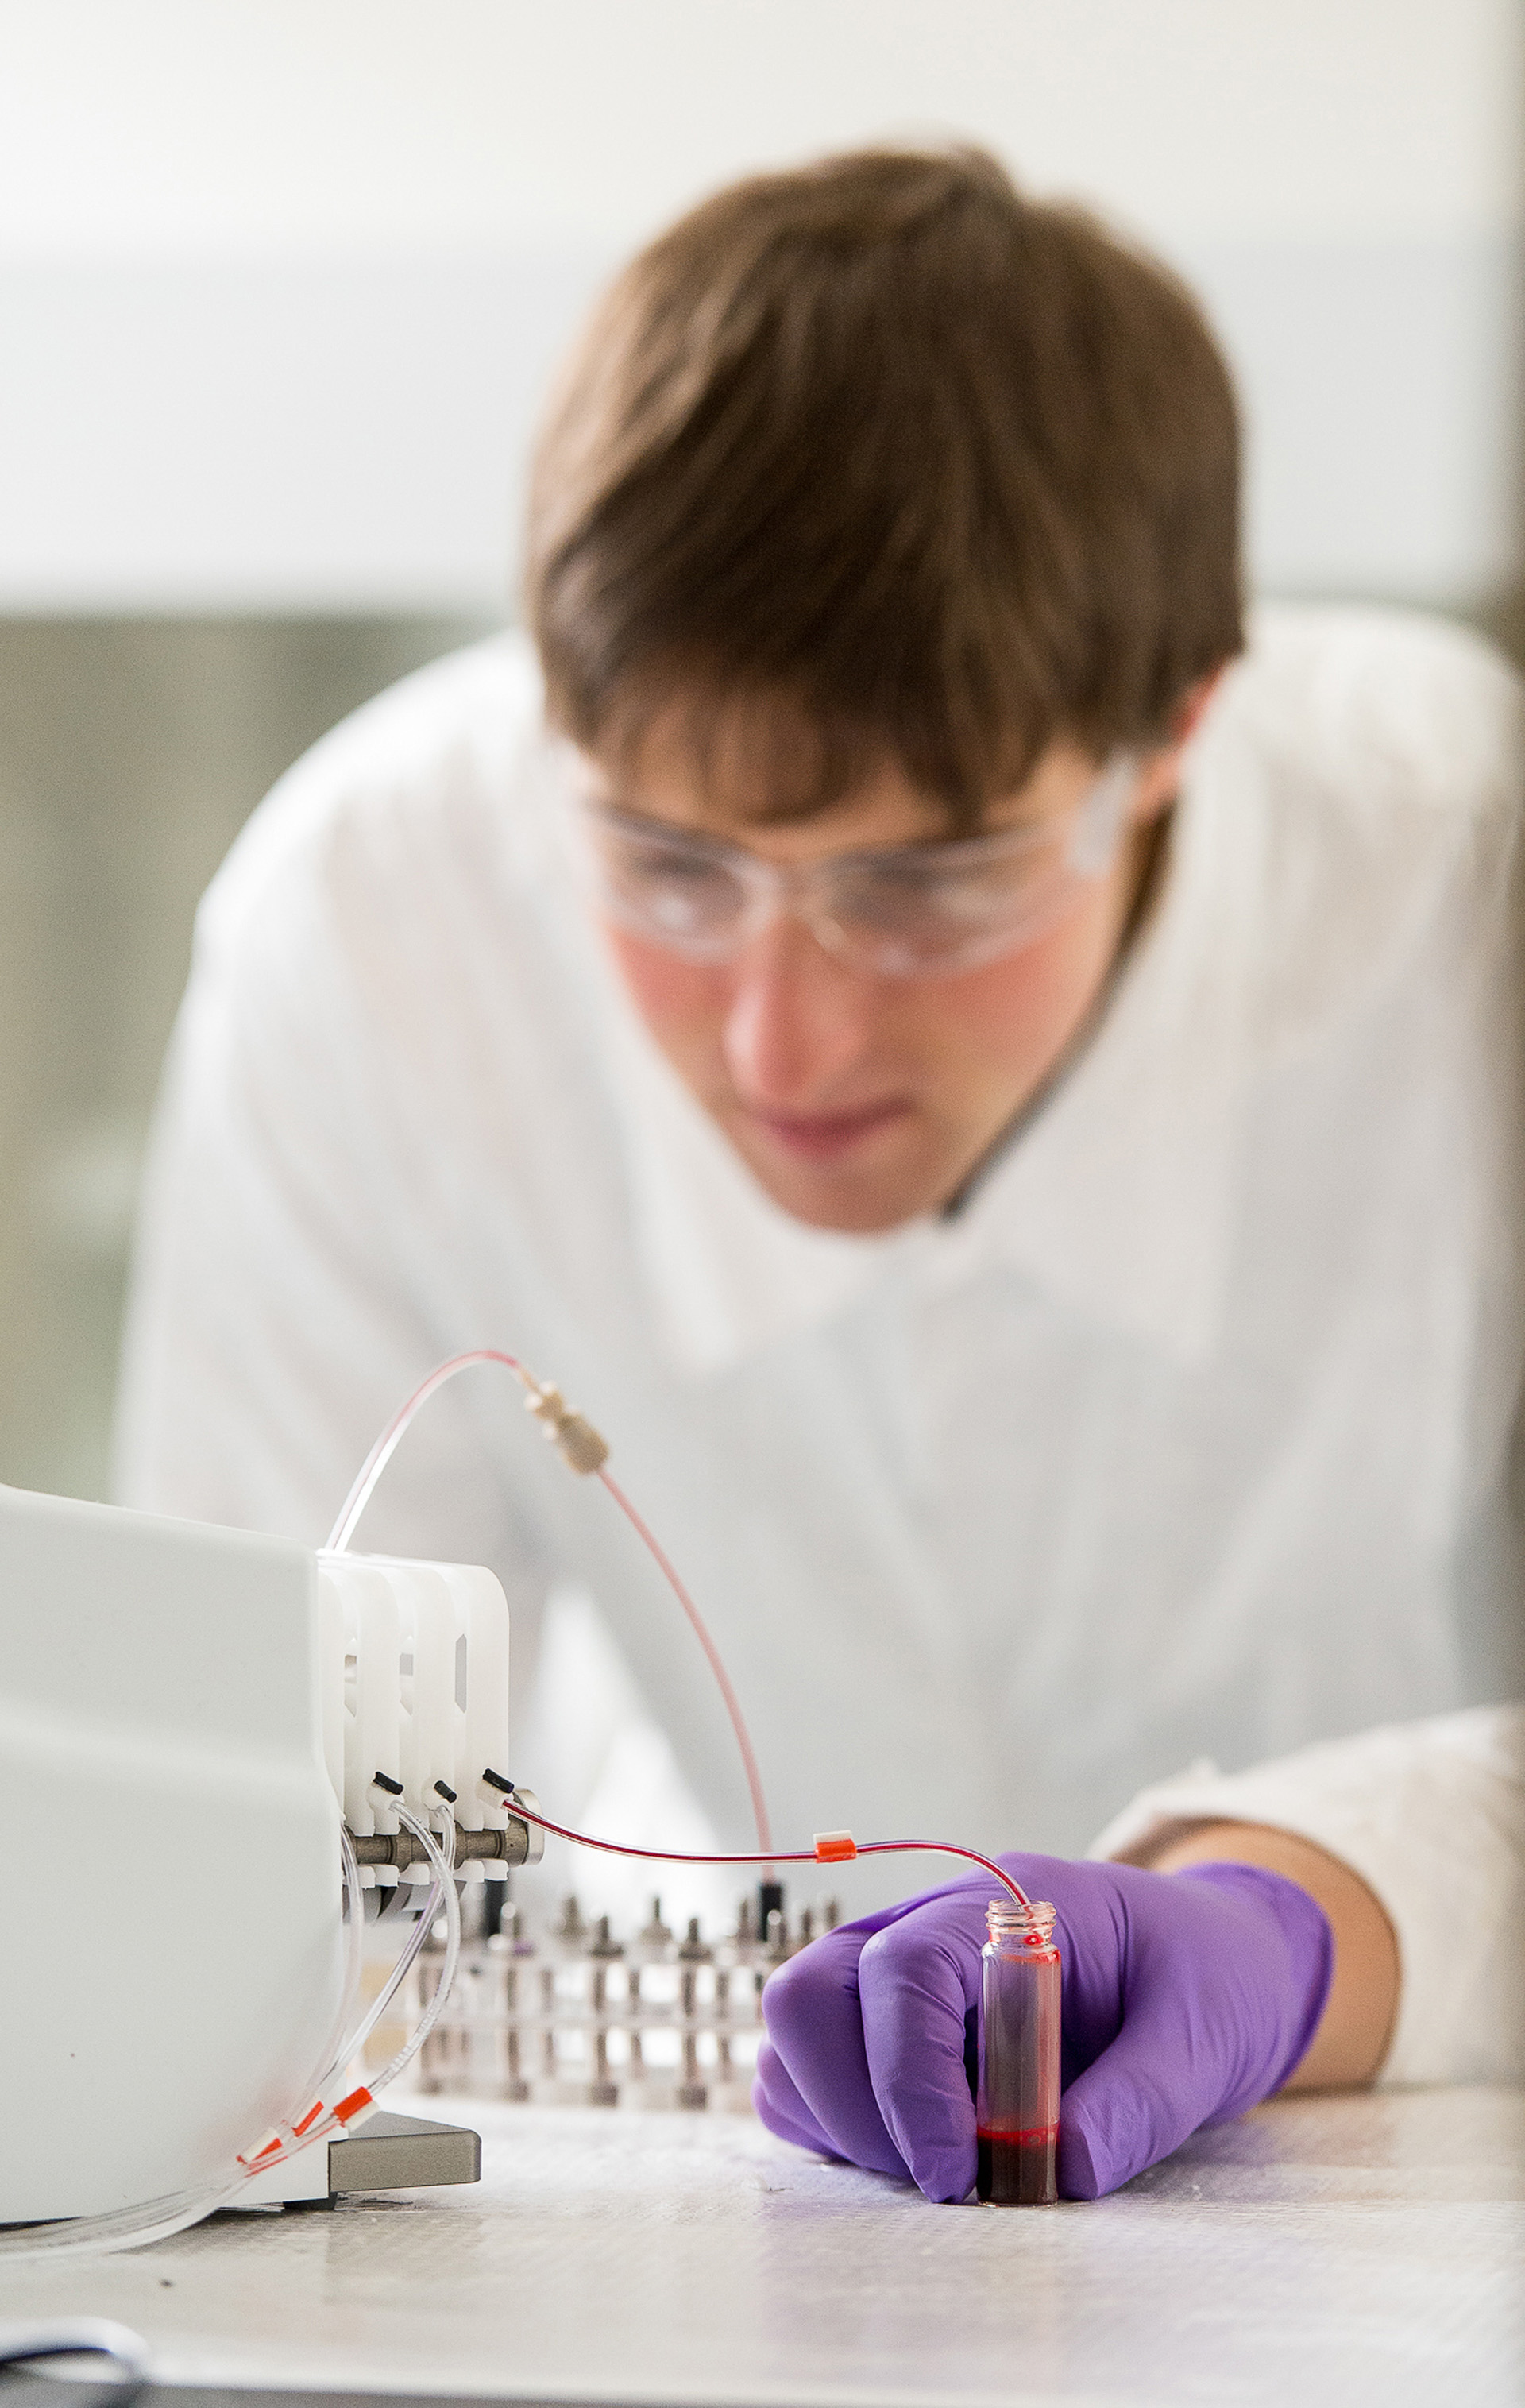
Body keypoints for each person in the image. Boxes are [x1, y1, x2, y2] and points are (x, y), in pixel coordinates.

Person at [114, 147, 1524, 2201]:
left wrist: (1299, 1916)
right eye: (670, 872)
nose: (778, 1040)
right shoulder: (378, 923)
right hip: (725, 2164)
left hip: (1417, 2137)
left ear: (1177, 735)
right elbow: (245, 1811)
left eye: (930, 887)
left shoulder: (1466, 880)